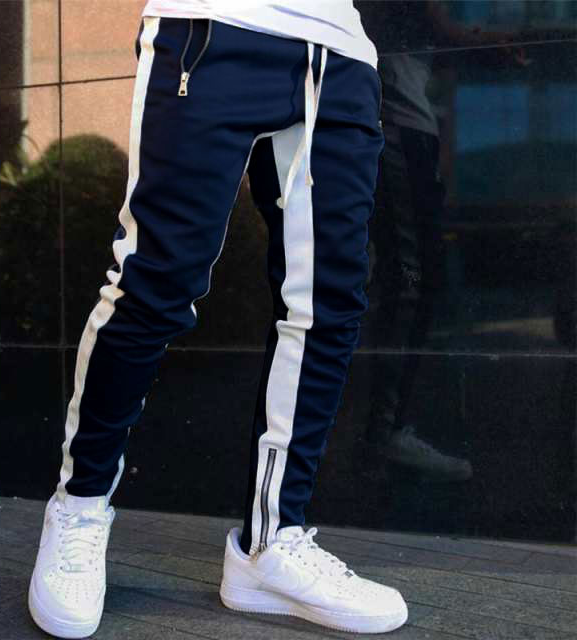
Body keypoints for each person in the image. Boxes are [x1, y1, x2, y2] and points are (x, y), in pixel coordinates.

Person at [28, 1, 408, 637]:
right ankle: (79, 507)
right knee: (154, 284)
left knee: (327, 303)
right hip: (214, 29)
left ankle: (270, 545)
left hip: (339, 52)